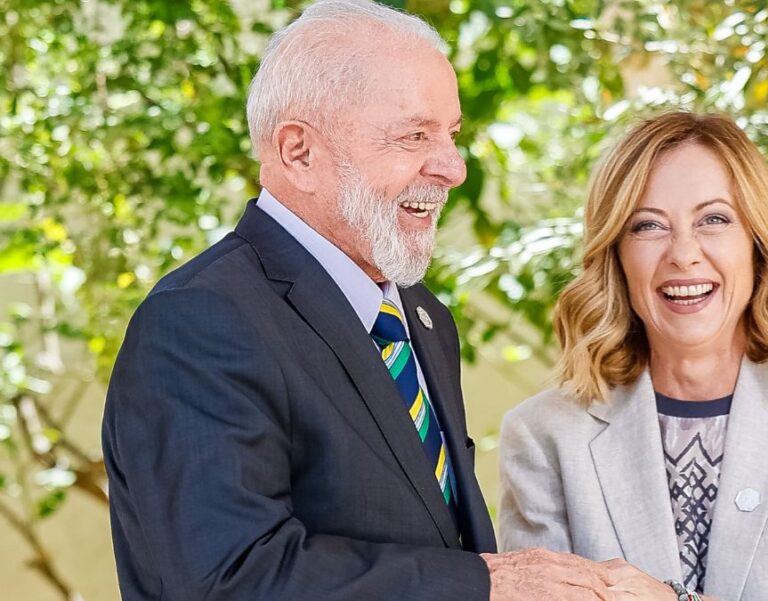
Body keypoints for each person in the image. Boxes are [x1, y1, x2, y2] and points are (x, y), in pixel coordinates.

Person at [102, 2, 612, 600]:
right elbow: (230, 579)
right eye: (414, 135)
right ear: (298, 152)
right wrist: (487, 582)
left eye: (451, 135)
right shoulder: (197, 320)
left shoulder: (422, 317)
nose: (452, 167)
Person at [497, 111, 768, 601]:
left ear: (758, 243)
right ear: (616, 255)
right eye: (647, 226)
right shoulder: (543, 435)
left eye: (714, 219)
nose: (684, 254)